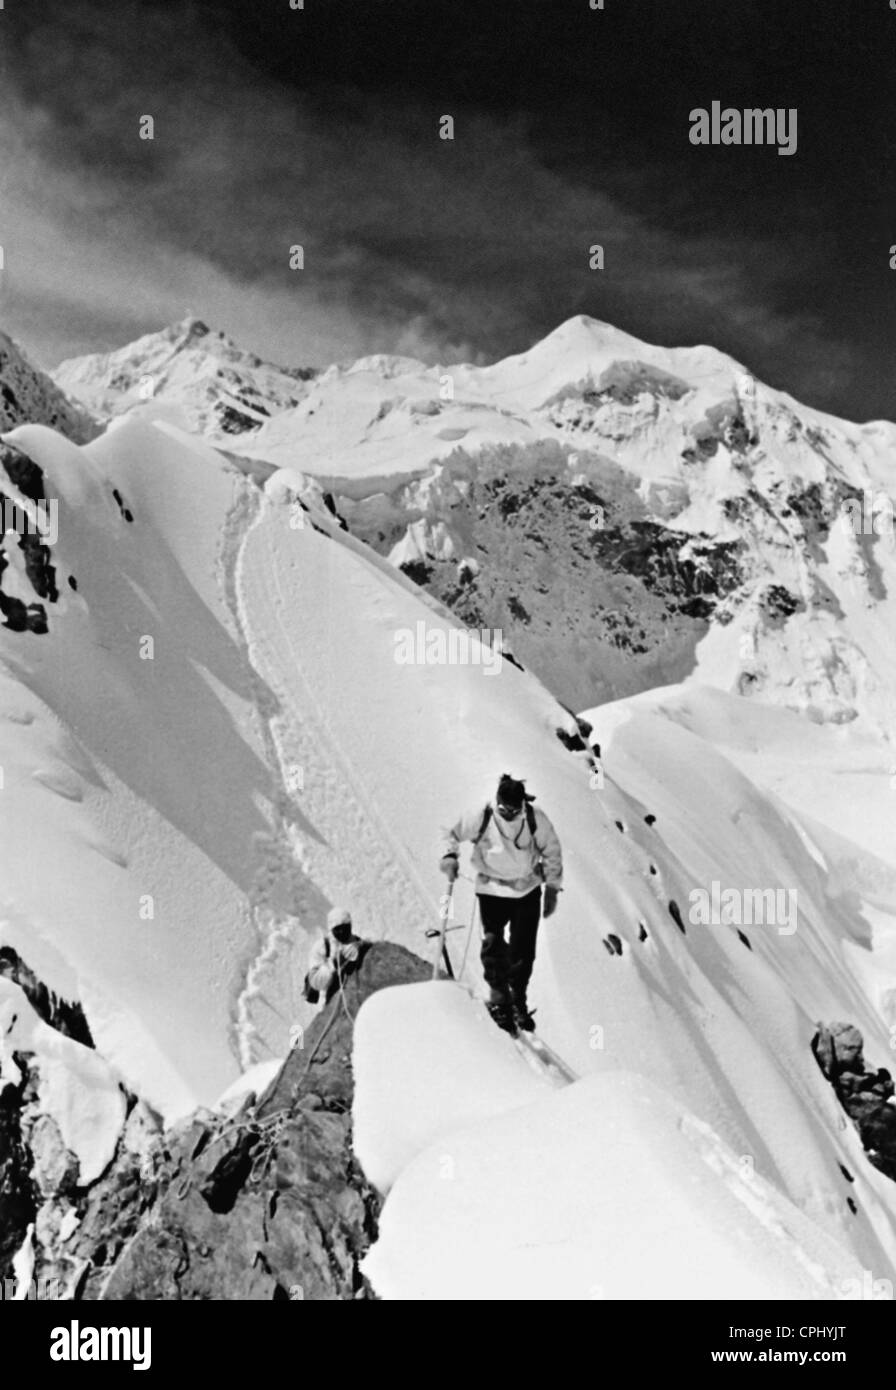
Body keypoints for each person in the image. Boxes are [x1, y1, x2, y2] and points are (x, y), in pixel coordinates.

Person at [440, 774, 563, 1033]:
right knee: (493, 943)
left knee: (523, 950)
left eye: (512, 810)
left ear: (521, 805)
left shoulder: (534, 819)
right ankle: (499, 999)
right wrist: (450, 856)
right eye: (503, 808)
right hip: (492, 889)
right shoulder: (483, 815)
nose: (506, 814)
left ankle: (518, 998)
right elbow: (452, 832)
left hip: (526, 889)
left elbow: (551, 850)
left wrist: (551, 887)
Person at [304, 906, 366, 1007]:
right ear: (331, 929)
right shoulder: (322, 947)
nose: (342, 932)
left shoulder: (359, 945)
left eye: (345, 928)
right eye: (338, 929)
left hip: (357, 1001)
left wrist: (362, 946)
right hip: (329, 1005)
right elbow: (315, 982)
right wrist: (333, 965)